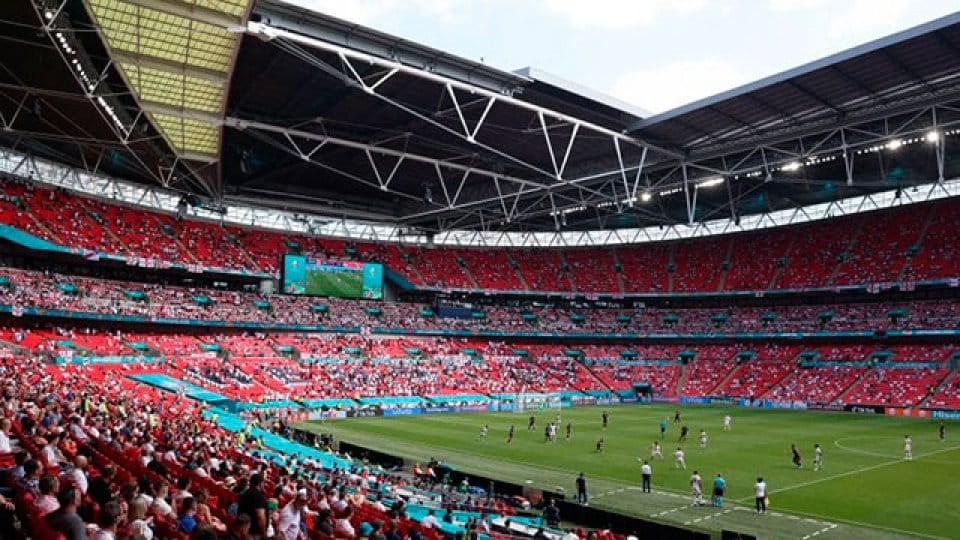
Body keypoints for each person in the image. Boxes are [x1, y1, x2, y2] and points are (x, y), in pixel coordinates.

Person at [238, 473, 268, 537]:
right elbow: (260, 516)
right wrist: (264, 533)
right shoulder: (259, 497)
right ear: (260, 484)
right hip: (253, 533)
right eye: (263, 483)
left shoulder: (245, 493)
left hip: (244, 528)